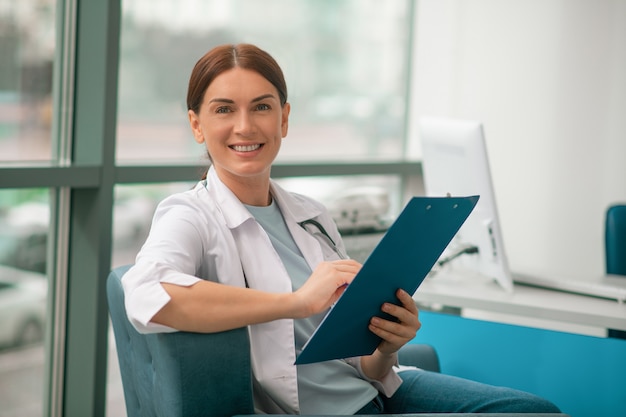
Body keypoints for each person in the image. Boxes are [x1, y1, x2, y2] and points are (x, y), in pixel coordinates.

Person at [122, 43, 561, 415]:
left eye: (262, 107)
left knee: (533, 410)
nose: (245, 126)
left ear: (284, 119)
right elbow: (146, 293)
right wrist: (294, 302)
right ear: (197, 124)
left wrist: (388, 343)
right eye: (223, 110)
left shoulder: (310, 214)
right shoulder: (188, 215)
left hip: (377, 391)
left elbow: (365, 364)